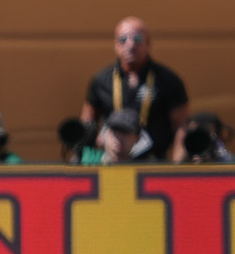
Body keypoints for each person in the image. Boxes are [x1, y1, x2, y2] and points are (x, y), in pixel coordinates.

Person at [80, 16, 192, 161]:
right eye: (123, 39)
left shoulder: (168, 80)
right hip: (112, 160)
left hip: (153, 161)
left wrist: (177, 168)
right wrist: (90, 151)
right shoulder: (101, 80)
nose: (130, 44)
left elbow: (181, 128)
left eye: (137, 39)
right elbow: (87, 123)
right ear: (115, 44)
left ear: (148, 43)